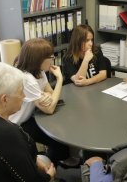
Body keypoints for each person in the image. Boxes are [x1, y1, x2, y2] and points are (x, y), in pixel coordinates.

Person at [10, 38, 78, 167]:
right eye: (50, 57)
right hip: (17, 125)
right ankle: (48, 169)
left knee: (59, 130)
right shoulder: (27, 78)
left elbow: (51, 94)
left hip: (31, 115)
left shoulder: (39, 71)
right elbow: (50, 109)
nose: (52, 60)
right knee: (55, 138)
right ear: (39, 59)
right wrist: (59, 79)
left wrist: (46, 95)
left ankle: (61, 159)